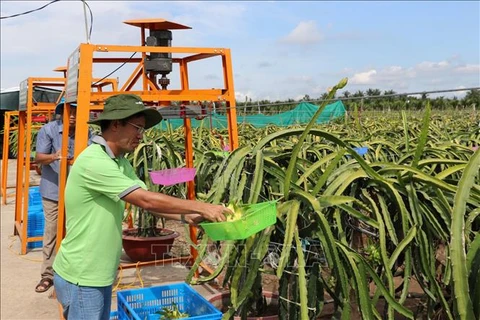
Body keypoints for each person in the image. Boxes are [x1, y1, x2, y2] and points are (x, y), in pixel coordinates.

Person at [52, 93, 231, 320]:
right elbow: (146, 200)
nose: (141, 136)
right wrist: (204, 207)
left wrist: (190, 216)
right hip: (82, 275)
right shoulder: (94, 162)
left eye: (142, 130)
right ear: (116, 124)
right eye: (137, 128)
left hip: (98, 273)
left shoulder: (119, 161)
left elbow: (145, 202)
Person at [34, 100, 84, 293]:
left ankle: (72, 273)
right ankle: (48, 275)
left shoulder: (85, 132)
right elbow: (39, 158)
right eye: (68, 111)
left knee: (75, 232)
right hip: (53, 190)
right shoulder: (48, 130)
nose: (72, 115)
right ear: (60, 113)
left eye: (75, 112)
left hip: (77, 192)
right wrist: (54, 157)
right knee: (52, 232)